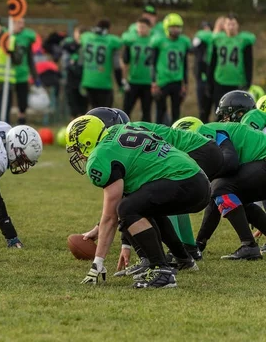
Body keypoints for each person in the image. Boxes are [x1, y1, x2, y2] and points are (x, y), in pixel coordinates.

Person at [66, 116, 210, 288]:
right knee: (142, 206)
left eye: (77, 147)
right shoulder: (119, 130)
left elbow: (112, 215)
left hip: (184, 181)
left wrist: (97, 264)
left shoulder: (100, 157)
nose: (78, 154)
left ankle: (161, 271)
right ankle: (183, 259)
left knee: (127, 208)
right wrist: (99, 229)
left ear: (87, 141)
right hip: (198, 179)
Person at [173, 116, 266, 260]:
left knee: (221, 187)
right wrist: (199, 243)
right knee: (229, 195)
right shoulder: (209, 130)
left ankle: (249, 246)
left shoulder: (204, 132)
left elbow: (230, 162)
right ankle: (201, 245)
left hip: (262, 160)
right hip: (260, 161)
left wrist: (204, 177)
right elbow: (214, 201)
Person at [150, 13, 191, 125]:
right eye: (173, 27)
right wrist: (153, 82)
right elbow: (152, 63)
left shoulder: (183, 42)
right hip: (162, 81)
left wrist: (185, 83)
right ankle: (157, 135)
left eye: (178, 27)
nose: (176, 30)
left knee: (176, 112)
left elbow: (185, 64)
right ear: (166, 27)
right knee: (160, 112)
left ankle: (175, 136)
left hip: (177, 81)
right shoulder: (159, 41)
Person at [207, 14, 256, 108]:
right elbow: (212, 62)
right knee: (220, 111)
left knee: (237, 111)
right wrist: (209, 82)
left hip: (238, 82)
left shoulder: (244, 40)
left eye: (233, 24)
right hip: (220, 80)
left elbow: (249, 62)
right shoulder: (218, 39)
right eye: (228, 24)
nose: (231, 27)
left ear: (238, 25)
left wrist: (248, 81)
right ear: (224, 26)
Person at [80, 19, 123, 109]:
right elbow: (117, 66)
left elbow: (80, 61)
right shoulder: (111, 41)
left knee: (93, 111)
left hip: (88, 81)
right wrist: (120, 83)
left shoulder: (86, 37)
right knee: (106, 112)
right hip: (104, 83)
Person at [122, 18, 153, 121]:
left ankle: (146, 134)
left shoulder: (153, 41)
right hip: (133, 80)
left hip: (148, 81)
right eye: (139, 27)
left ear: (149, 28)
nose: (141, 29)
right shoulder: (131, 41)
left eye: (143, 27)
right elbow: (125, 61)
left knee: (146, 111)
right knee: (126, 109)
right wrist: (124, 79)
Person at [12, 18, 39, 124]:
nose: (22, 26)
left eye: (23, 23)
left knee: (22, 100)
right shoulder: (6, 37)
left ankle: (21, 122)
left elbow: (30, 58)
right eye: (19, 23)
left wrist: (35, 75)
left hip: (22, 73)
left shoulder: (26, 38)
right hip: (9, 74)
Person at [62, 26, 87, 119]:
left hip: (83, 79)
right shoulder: (69, 44)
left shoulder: (87, 46)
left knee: (82, 107)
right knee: (72, 105)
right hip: (71, 79)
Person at [192, 21, 214, 122]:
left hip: (213, 79)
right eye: (204, 28)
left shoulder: (214, 40)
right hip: (201, 77)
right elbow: (193, 50)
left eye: (208, 28)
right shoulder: (199, 40)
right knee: (203, 109)